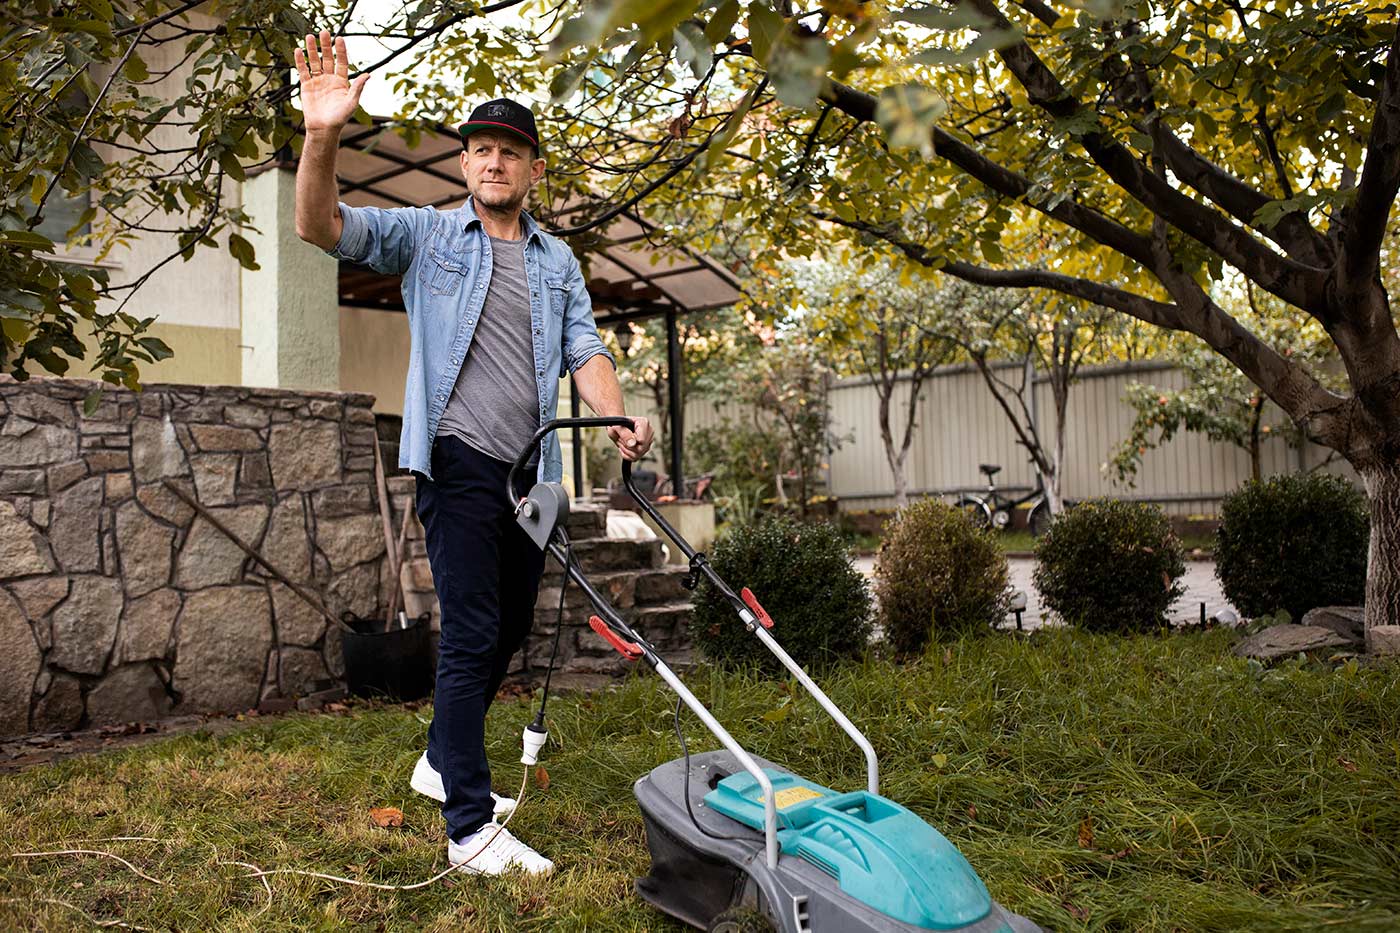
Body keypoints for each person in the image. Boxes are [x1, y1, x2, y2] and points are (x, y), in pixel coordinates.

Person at [292, 30, 654, 875]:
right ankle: (467, 827)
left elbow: (586, 350)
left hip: (531, 474)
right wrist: (322, 135)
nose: (494, 162)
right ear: (465, 166)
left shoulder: (558, 261)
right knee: (473, 633)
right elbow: (319, 225)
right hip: (455, 460)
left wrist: (615, 416)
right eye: (481, 149)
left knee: (511, 629)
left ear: (531, 171)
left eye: (510, 152)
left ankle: (436, 756)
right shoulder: (425, 236)